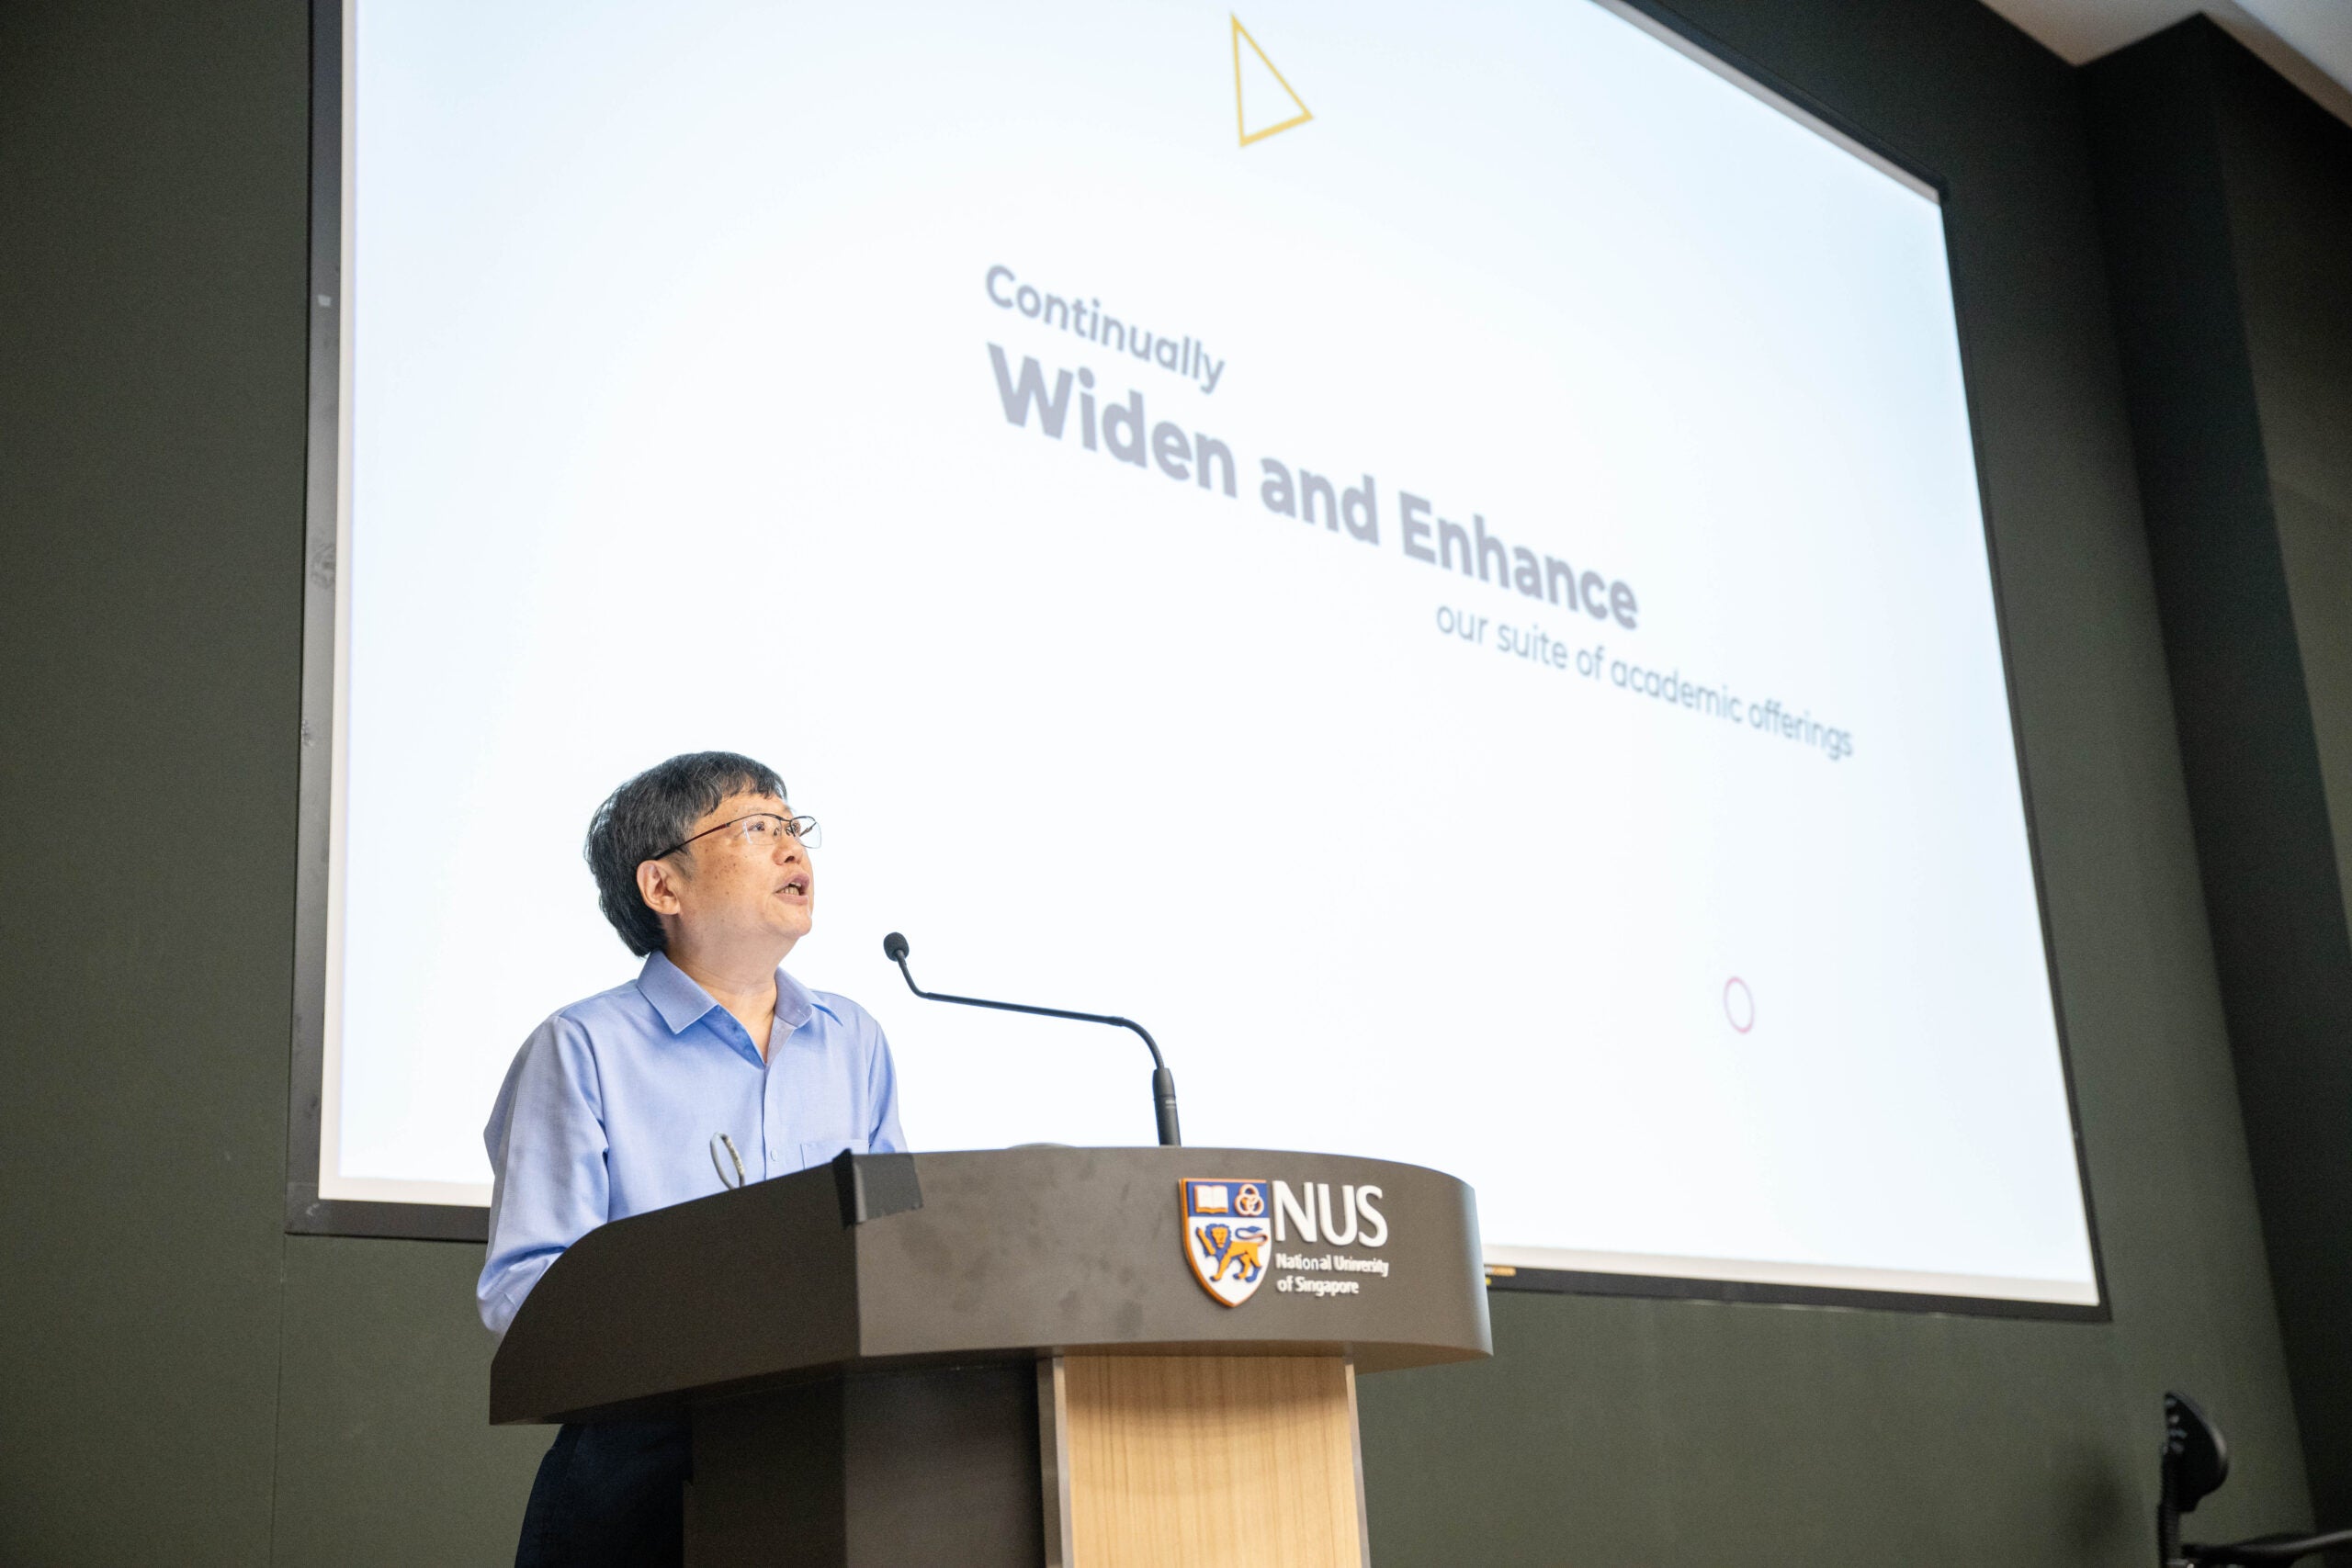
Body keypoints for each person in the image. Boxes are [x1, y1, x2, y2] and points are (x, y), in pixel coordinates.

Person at [479, 750, 906, 1568]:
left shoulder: (854, 1040)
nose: (793, 848)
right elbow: (526, 1289)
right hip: (641, 1467)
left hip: (833, 1457)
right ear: (662, 887)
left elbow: (895, 1245)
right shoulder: (582, 1048)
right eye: (757, 827)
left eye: (794, 826)